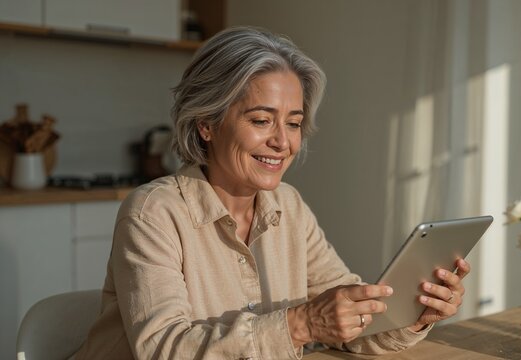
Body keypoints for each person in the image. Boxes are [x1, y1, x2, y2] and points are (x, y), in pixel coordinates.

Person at [74, 26, 470, 359]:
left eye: (294, 123)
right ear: (206, 124)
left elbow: (348, 326)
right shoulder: (153, 212)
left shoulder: (289, 207)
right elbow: (165, 348)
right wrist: (301, 324)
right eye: (262, 120)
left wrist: (412, 313)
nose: (283, 142)